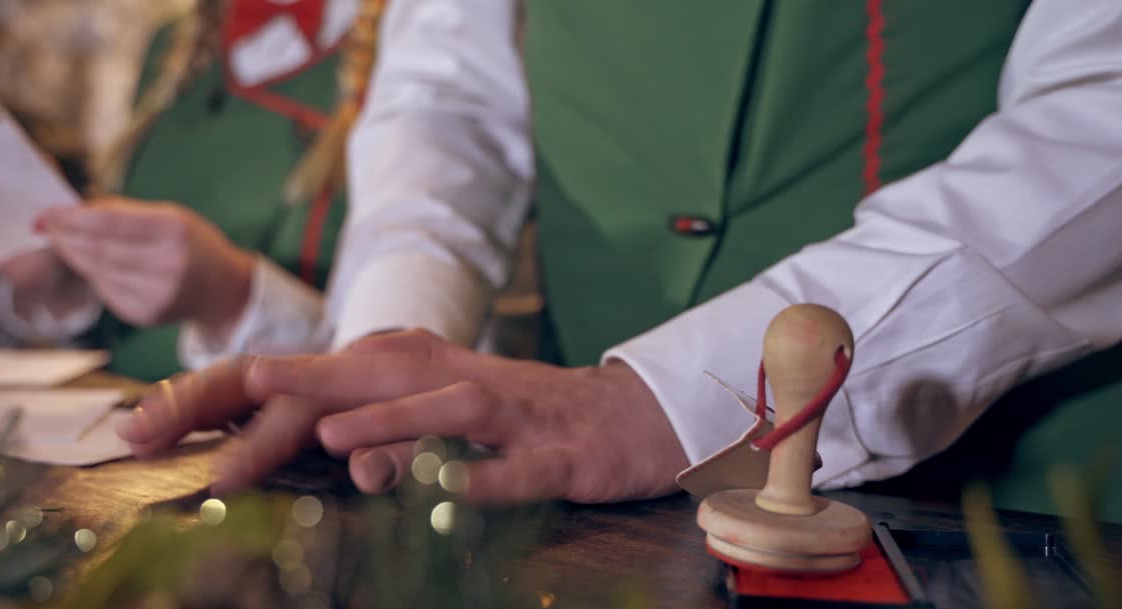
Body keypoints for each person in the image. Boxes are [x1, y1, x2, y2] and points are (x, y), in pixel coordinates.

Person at [117, 0, 1122, 518]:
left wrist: (663, 402)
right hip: (588, 512)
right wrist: (387, 344)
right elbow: (447, 93)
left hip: (1014, 517)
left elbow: (1098, 119)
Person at [0, 0, 375, 381]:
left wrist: (229, 296)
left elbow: (392, 364)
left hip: (286, 433)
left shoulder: (403, 50)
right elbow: (124, 335)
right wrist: (67, 274)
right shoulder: (174, 46)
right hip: (126, 424)